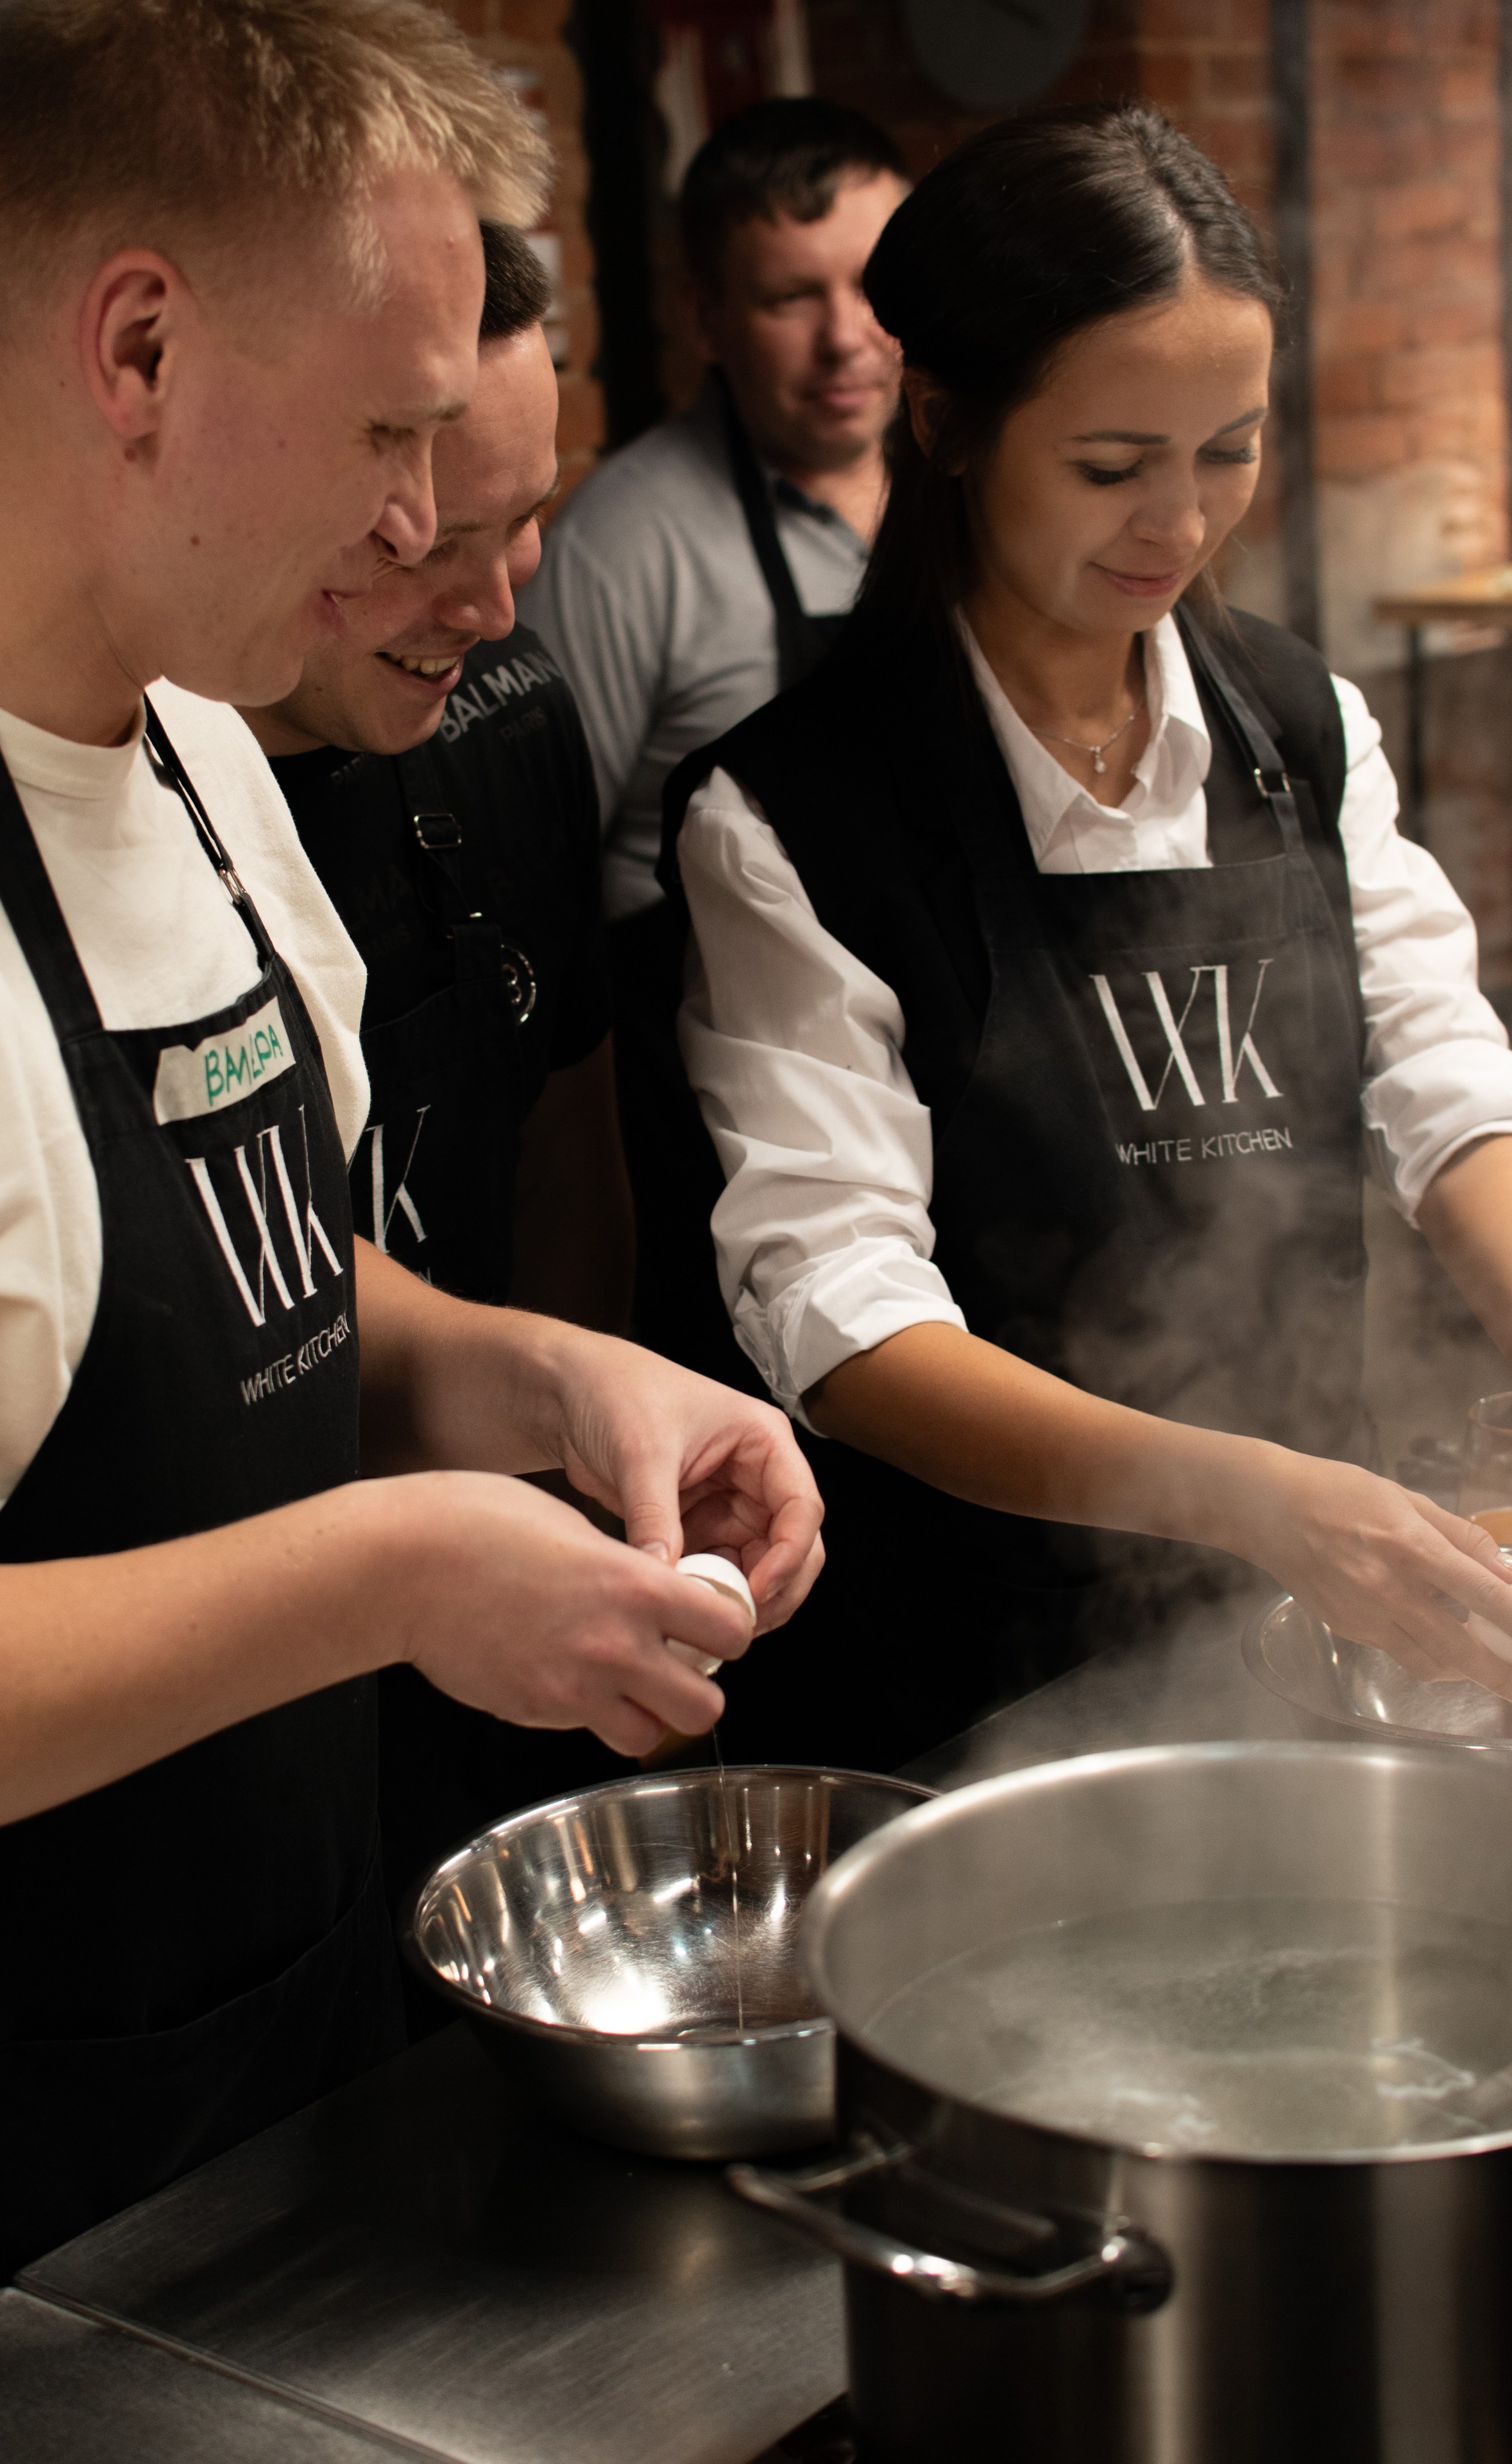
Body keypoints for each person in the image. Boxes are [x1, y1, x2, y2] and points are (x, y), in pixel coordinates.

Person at [0, 0, 820, 2354]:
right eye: (391, 430)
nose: (426, 531)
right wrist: (394, 1567)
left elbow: (234, 1274)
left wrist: (533, 1374)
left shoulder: (193, 744)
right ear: (142, 348)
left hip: (251, 2098)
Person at [658, 102, 1512, 1776]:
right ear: (952, 425)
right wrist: (1252, 1495)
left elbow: (1442, 1073)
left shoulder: (1294, 723)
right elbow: (843, 1311)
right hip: (980, 1671)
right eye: (1115, 467)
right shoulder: (798, 815)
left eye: (1230, 450)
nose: (1180, 527)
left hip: (1310, 1614)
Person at [242, 221, 634, 1924]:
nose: (492, 597)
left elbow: (567, 1135)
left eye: (527, 518)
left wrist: (576, 1425)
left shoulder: (512, 711)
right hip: (238, 1648)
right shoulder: (136, 778)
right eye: (435, 542)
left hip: (502, 1565)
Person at [521, 97, 906, 1379]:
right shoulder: (628, 546)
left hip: (926, 1081)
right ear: (703, 319)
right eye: (791, 297)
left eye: (870, 284)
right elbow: (540, 894)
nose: (845, 339)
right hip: (714, 1130)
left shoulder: (964, 498)